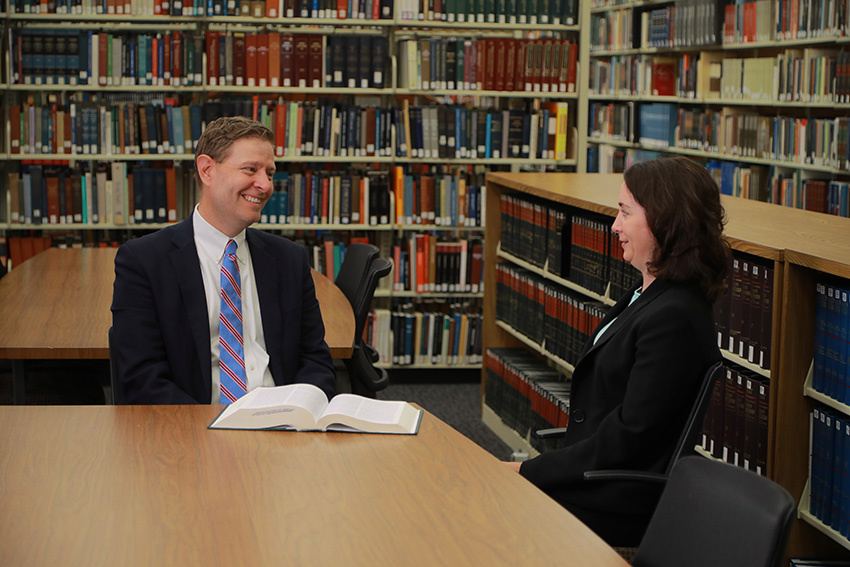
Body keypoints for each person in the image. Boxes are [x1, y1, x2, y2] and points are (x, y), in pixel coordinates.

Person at [505, 156, 731, 547]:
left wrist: (531, 469)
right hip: (594, 473)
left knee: (485, 506)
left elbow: (629, 438)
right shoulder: (648, 292)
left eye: (625, 212)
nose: (615, 226)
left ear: (665, 222)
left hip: (616, 495)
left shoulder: (674, 316)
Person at [111, 116, 335, 404]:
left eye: (270, 173)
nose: (265, 185)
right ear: (207, 170)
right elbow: (142, 378)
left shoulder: (289, 259)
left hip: (283, 429)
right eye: (250, 169)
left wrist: (300, 411)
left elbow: (315, 358)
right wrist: (213, 430)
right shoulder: (143, 261)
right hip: (195, 429)